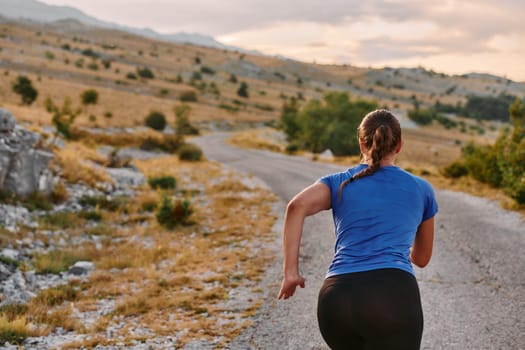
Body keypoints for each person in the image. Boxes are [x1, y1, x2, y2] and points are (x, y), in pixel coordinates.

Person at [277, 109, 438, 350]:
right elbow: (422, 259)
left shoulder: (338, 182)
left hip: (336, 299)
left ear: (361, 143)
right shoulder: (422, 189)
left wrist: (291, 272)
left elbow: (296, 206)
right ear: (400, 145)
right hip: (392, 297)